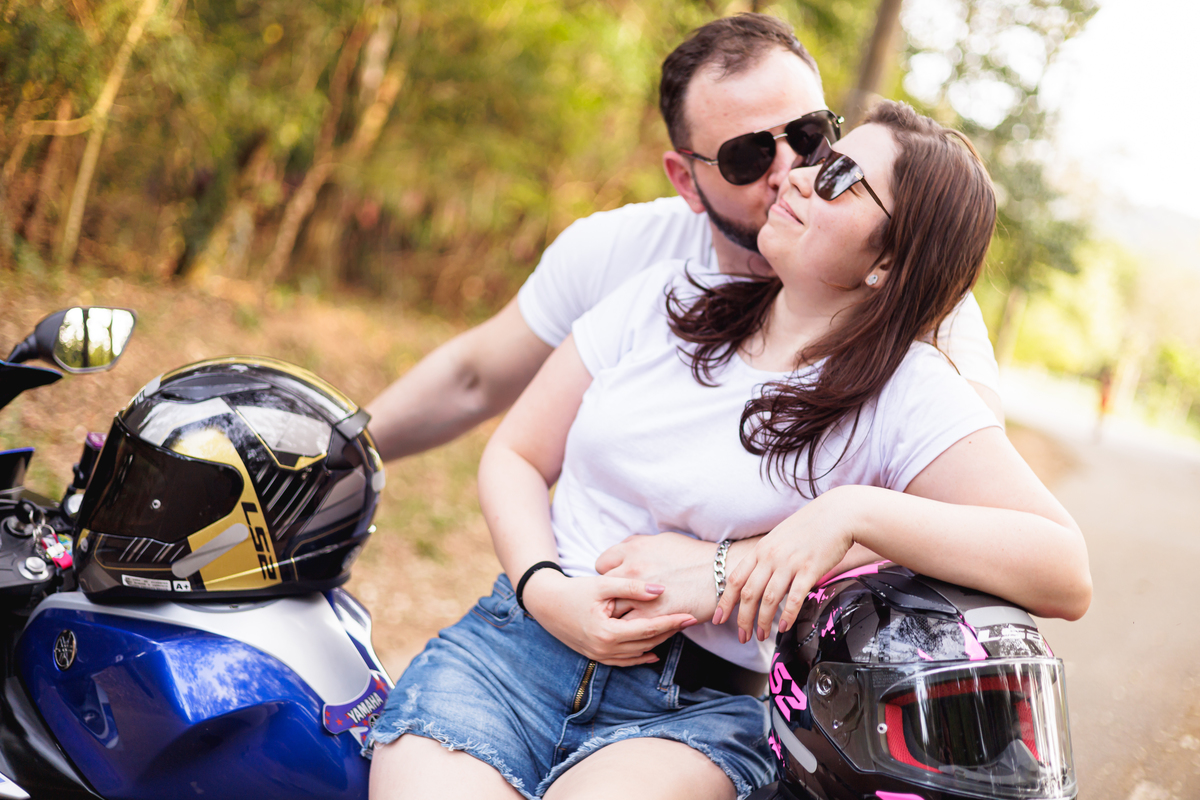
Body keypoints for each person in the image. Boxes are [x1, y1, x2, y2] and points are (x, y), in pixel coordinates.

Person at [366, 100, 1092, 800]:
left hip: (696, 711)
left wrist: (850, 513)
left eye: (842, 179)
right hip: (509, 651)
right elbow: (517, 454)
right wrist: (546, 592)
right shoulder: (667, 299)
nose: (800, 176)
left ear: (890, 262)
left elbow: (1063, 569)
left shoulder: (907, 394)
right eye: (824, 159)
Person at [365, 12, 1006, 621]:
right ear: (686, 178)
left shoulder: (917, 302)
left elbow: (963, 511)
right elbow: (474, 378)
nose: (792, 171)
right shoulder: (628, 257)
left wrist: (737, 565)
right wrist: (336, 456)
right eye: (748, 156)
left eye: (811, 136)